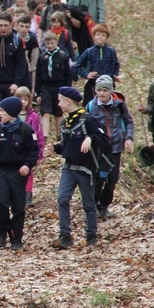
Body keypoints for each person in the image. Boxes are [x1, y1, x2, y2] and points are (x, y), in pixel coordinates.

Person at [51, 87, 109, 249]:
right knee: (62, 198)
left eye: (60, 100)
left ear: (68, 101)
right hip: (69, 167)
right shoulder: (65, 122)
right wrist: (58, 148)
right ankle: (65, 236)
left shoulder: (88, 120)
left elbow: (103, 138)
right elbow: (68, 145)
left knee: (88, 203)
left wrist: (91, 138)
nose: (58, 103)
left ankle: (91, 235)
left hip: (86, 168)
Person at [0, 97, 39, 250]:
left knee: (18, 206)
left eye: (3, 111)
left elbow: (33, 151)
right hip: (3, 171)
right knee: (1, 202)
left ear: (11, 112)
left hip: (19, 173)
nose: (0, 114)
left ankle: (16, 236)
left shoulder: (25, 130)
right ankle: (2, 231)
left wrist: (28, 165)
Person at [85, 75, 134, 218]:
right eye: (99, 90)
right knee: (98, 178)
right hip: (99, 148)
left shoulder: (119, 104)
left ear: (110, 91)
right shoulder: (91, 106)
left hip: (116, 147)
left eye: (105, 90)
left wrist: (129, 138)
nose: (101, 93)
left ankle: (104, 206)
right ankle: (92, 208)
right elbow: (85, 124)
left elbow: (129, 121)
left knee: (112, 179)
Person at [0, 12, 31, 106]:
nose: (3, 28)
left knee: (10, 111)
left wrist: (16, 83)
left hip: (11, 83)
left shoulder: (17, 42)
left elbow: (21, 65)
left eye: (6, 25)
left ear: (11, 25)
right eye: (0, 25)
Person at [35, 31, 72, 142]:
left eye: (52, 43)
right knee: (45, 112)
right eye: (47, 43)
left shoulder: (63, 56)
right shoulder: (42, 57)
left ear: (56, 42)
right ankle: (45, 136)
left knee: (58, 112)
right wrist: (38, 92)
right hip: (46, 87)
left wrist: (67, 91)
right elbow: (38, 75)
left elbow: (67, 75)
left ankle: (59, 135)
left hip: (59, 87)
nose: (50, 46)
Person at [75, 23, 119, 104]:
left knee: (108, 105)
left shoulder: (111, 51)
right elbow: (77, 66)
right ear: (94, 36)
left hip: (108, 83)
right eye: (98, 34)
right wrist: (86, 74)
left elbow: (116, 64)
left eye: (103, 35)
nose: (100, 37)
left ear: (106, 37)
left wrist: (115, 74)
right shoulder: (89, 51)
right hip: (93, 83)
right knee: (90, 106)